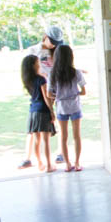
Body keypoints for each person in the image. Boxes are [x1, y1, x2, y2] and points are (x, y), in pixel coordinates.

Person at [19, 25, 65, 167]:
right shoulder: (33, 51)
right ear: (45, 36)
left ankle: (60, 153)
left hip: (57, 89)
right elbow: (27, 71)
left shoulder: (58, 51)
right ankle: (28, 157)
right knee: (35, 127)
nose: (54, 45)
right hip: (40, 90)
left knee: (60, 121)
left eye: (56, 43)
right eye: (52, 42)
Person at [48, 44, 87, 172]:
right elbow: (83, 91)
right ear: (71, 57)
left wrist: (59, 95)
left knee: (63, 137)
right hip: (75, 106)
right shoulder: (76, 72)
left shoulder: (53, 74)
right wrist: (75, 93)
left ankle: (67, 164)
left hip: (61, 108)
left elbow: (49, 94)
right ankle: (77, 163)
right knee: (77, 136)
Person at [21, 54, 56, 173]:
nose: (39, 63)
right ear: (33, 65)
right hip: (43, 110)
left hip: (33, 111)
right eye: (37, 62)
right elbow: (46, 97)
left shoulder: (27, 79)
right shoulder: (41, 79)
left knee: (37, 140)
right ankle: (49, 165)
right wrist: (52, 111)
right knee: (46, 140)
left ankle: (40, 163)